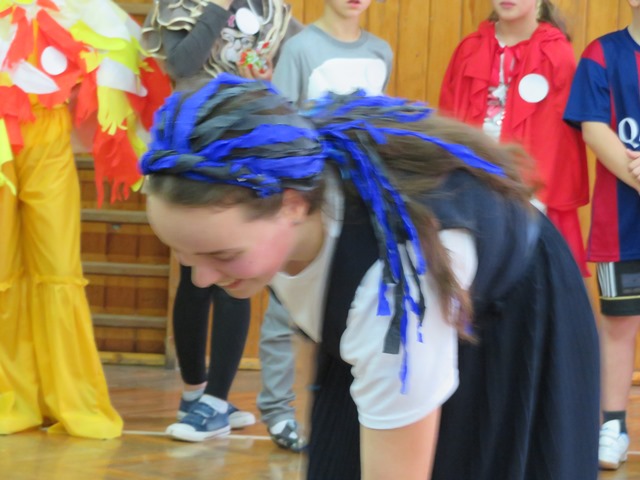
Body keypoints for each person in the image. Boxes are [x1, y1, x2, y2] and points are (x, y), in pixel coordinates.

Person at [141, 74, 600, 479]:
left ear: (292, 207)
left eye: (220, 255)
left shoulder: (392, 289)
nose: (200, 279)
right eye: (182, 254)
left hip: (516, 313)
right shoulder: (273, 205)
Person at [0, 0, 169, 438]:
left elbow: (119, 43)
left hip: (47, 130)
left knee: (58, 266)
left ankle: (69, 396)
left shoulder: (72, 4)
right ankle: (10, 397)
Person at [141, 0, 302, 443]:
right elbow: (181, 64)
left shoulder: (272, 11)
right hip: (191, 148)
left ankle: (215, 400)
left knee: (235, 271)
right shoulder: (180, 6)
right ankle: (194, 392)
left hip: (245, 147)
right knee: (194, 277)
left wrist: (268, 80)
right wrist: (215, 7)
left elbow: (298, 62)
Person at [257, 0, 393, 451]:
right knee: (285, 307)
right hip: (308, 197)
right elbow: (280, 123)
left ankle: (339, 414)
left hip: (358, 200)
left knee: (349, 306)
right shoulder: (301, 49)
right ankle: (277, 409)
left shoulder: (381, 51)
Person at [439, 0, 590, 276]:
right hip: (472, 184)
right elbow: (449, 125)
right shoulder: (469, 49)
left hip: (530, 191)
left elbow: (558, 142)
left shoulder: (556, 53)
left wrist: (532, 195)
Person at [564, 0, 640, 470]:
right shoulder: (601, 54)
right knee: (618, 324)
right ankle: (613, 425)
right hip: (621, 223)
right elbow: (594, 131)